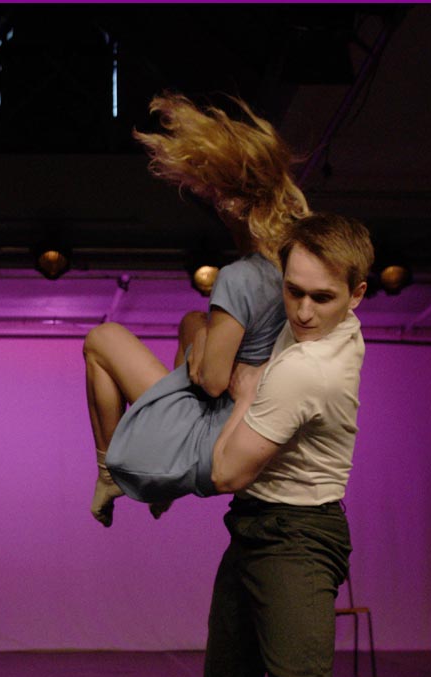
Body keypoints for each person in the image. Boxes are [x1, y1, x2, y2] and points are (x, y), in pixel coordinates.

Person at [167, 212, 412, 677]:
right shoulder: (320, 323)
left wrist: (234, 388)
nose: (302, 311)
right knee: (227, 676)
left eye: (322, 298)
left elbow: (226, 471)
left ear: (359, 294)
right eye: (293, 291)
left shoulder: (312, 369)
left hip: (297, 540)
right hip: (256, 528)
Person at [84, 91, 308, 526]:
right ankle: (155, 468)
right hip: (244, 424)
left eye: (215, 197)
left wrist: (204, 341)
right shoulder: (291, 267)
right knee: (192, 320)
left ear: (232, 205)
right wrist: (201, 333)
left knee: (100, 339)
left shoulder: (241, 277)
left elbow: (212, 380)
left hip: (209, 436)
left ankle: (108, 473)